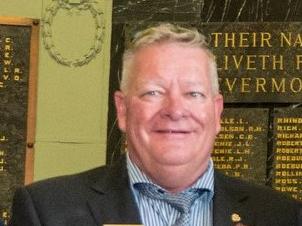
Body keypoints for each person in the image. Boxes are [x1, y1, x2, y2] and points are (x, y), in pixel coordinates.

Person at [9, 23, 301, 226]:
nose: (175, 109)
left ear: (216, 113)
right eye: (153, 92)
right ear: (122, 110)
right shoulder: (47, 212)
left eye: (193, 93)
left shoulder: (282, 217)